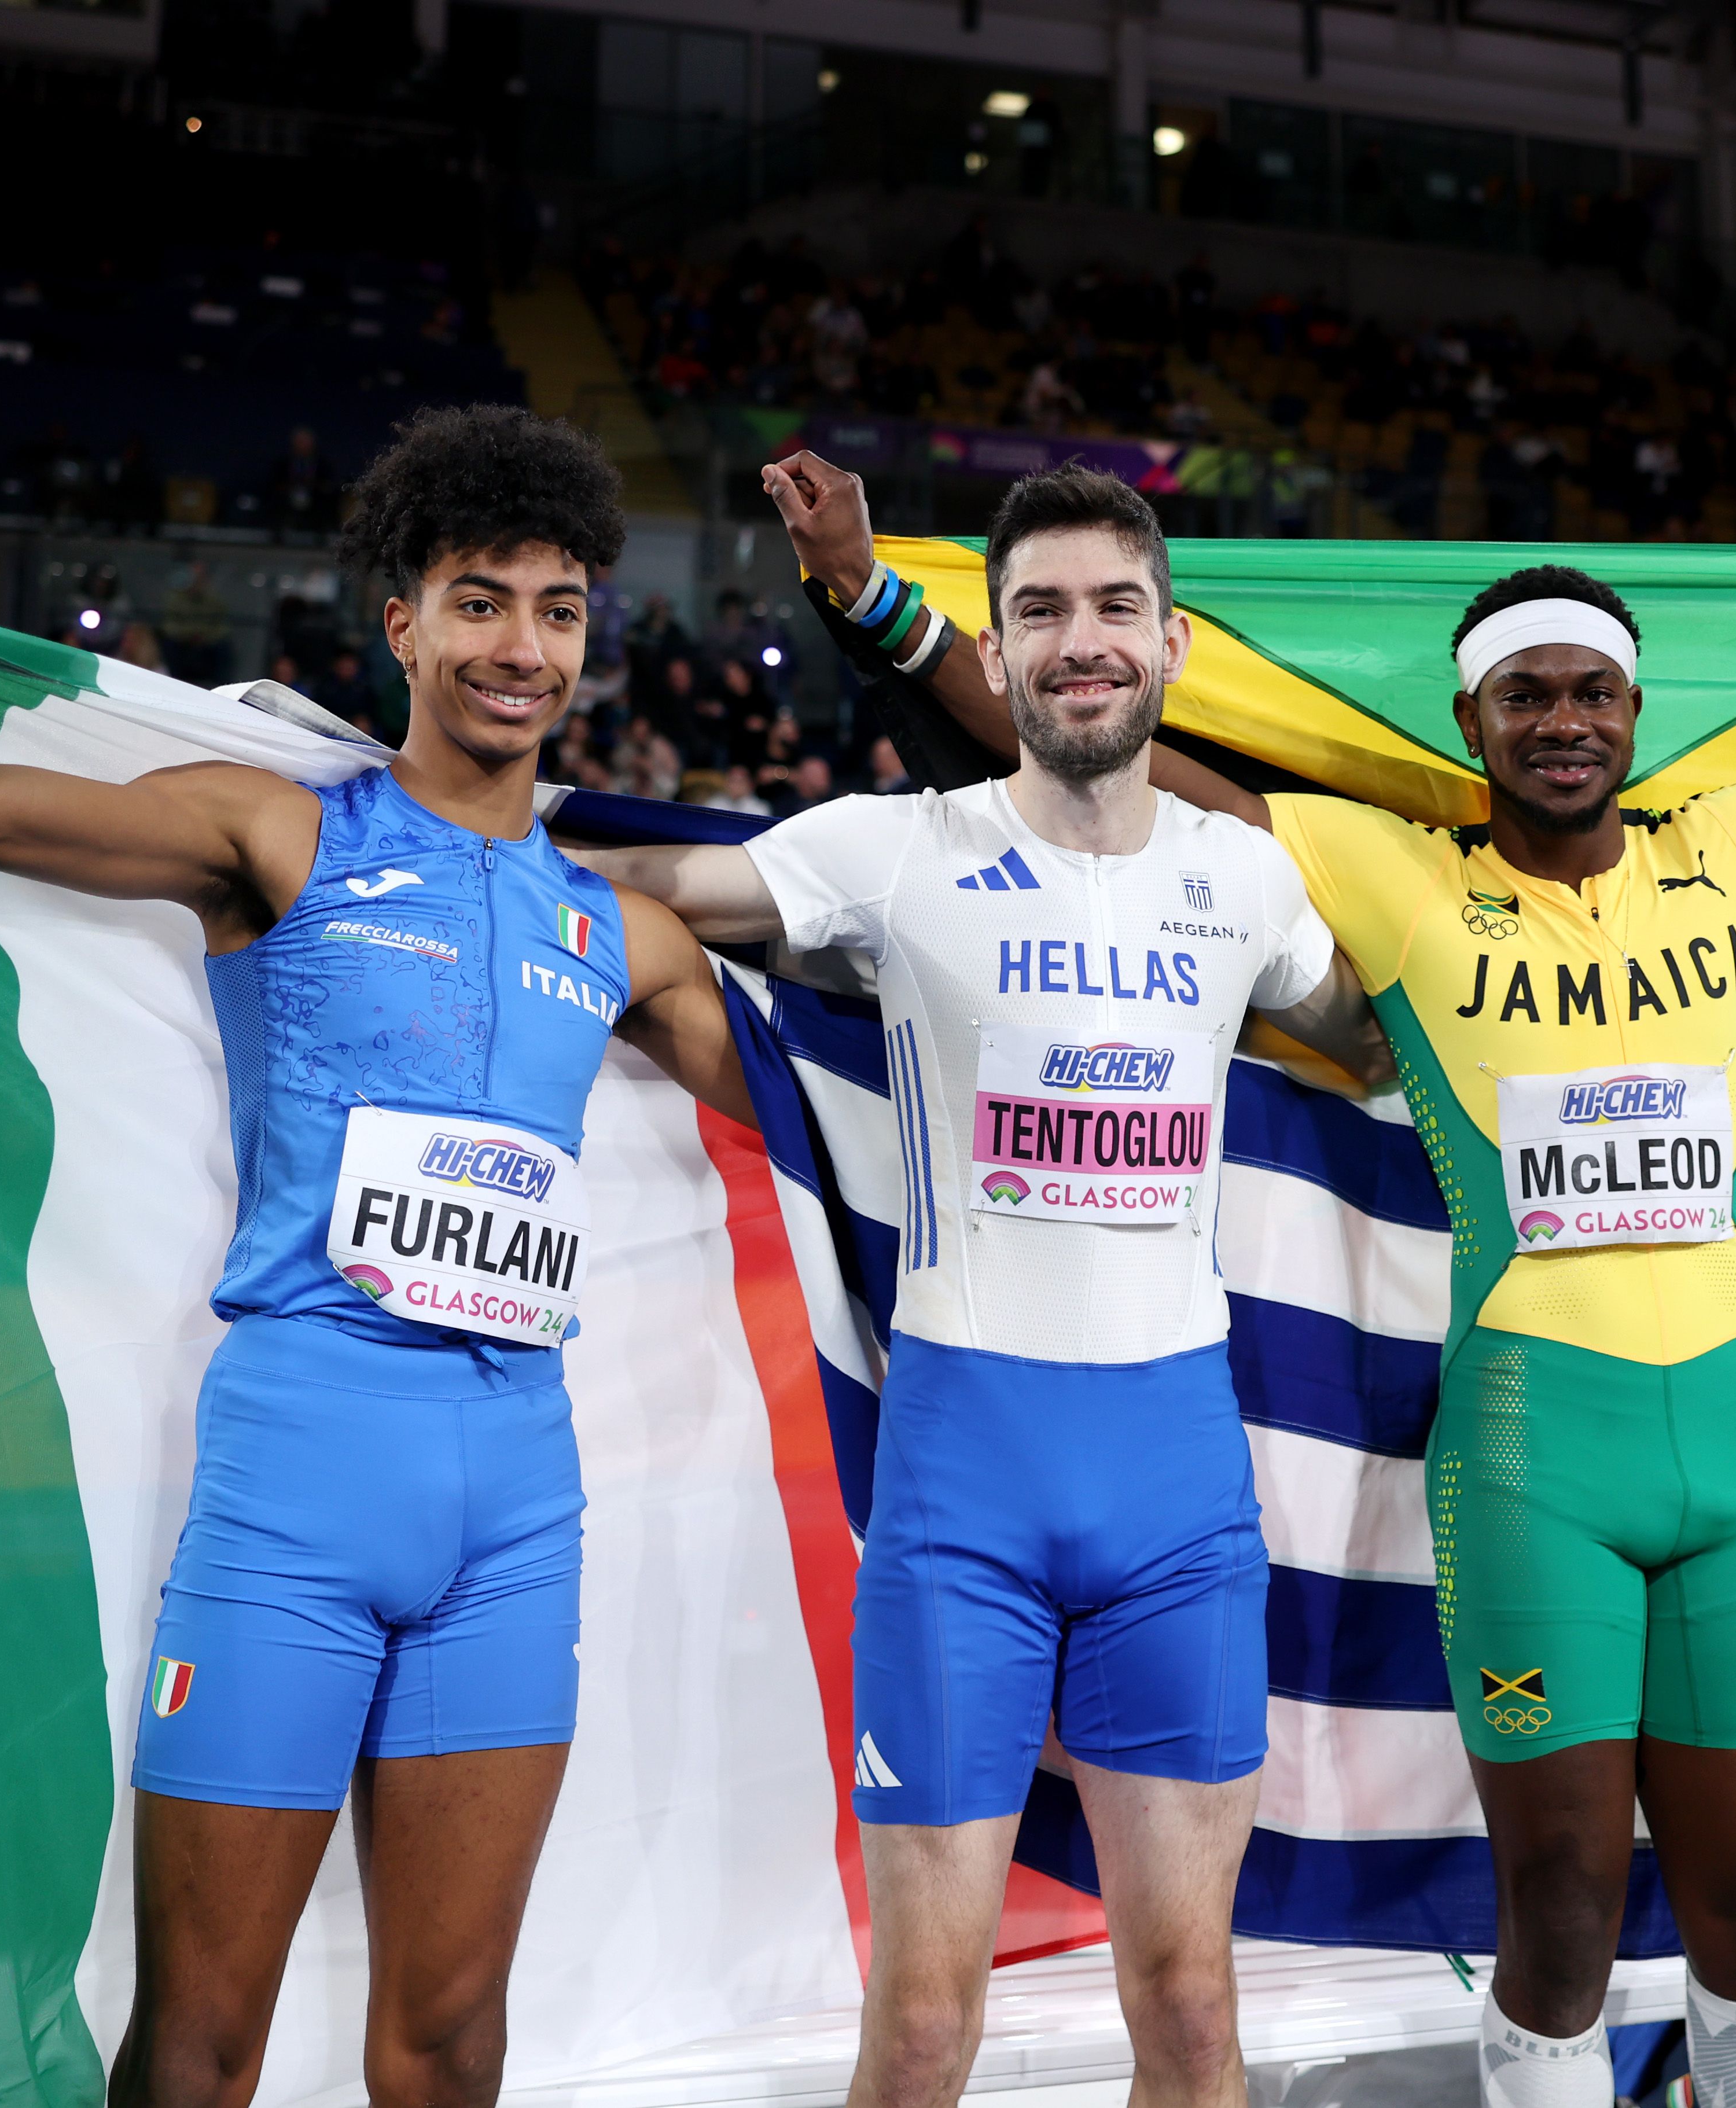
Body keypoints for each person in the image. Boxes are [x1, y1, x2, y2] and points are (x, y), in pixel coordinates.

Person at [764, 446, 1736, 2108]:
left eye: (1591, 691)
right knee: (1565, 1912)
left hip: (1728, 1463)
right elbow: (1105, 750)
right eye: (1524, 696)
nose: (1562, 719)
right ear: (1473, 723)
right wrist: (874, 606)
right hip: (1530, 1462)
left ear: (1634, 715)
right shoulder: (1397, 878)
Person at [0, 403, 756, 2108]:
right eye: (480, 598)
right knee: (201, 2044)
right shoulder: (280, 835)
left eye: (560, 605)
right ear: (404, 623)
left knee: (450, 2044)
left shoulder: (621, 932)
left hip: (515, 1511)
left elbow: (841, 1117)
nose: (523, 644)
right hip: (297, 1484)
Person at [573, 465, 1380, 2108]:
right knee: (925, 2032)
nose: (1079, 642)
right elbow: (642, 895)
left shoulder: (1251, 881)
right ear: (997, 663)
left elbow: (1392, 1031)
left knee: (1192, 2012)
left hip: (1176, 1499)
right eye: (1040, 613)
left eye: (1113, 608)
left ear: (1171, 645)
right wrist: (404, 834)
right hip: (963, 1505)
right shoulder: (890, 850)